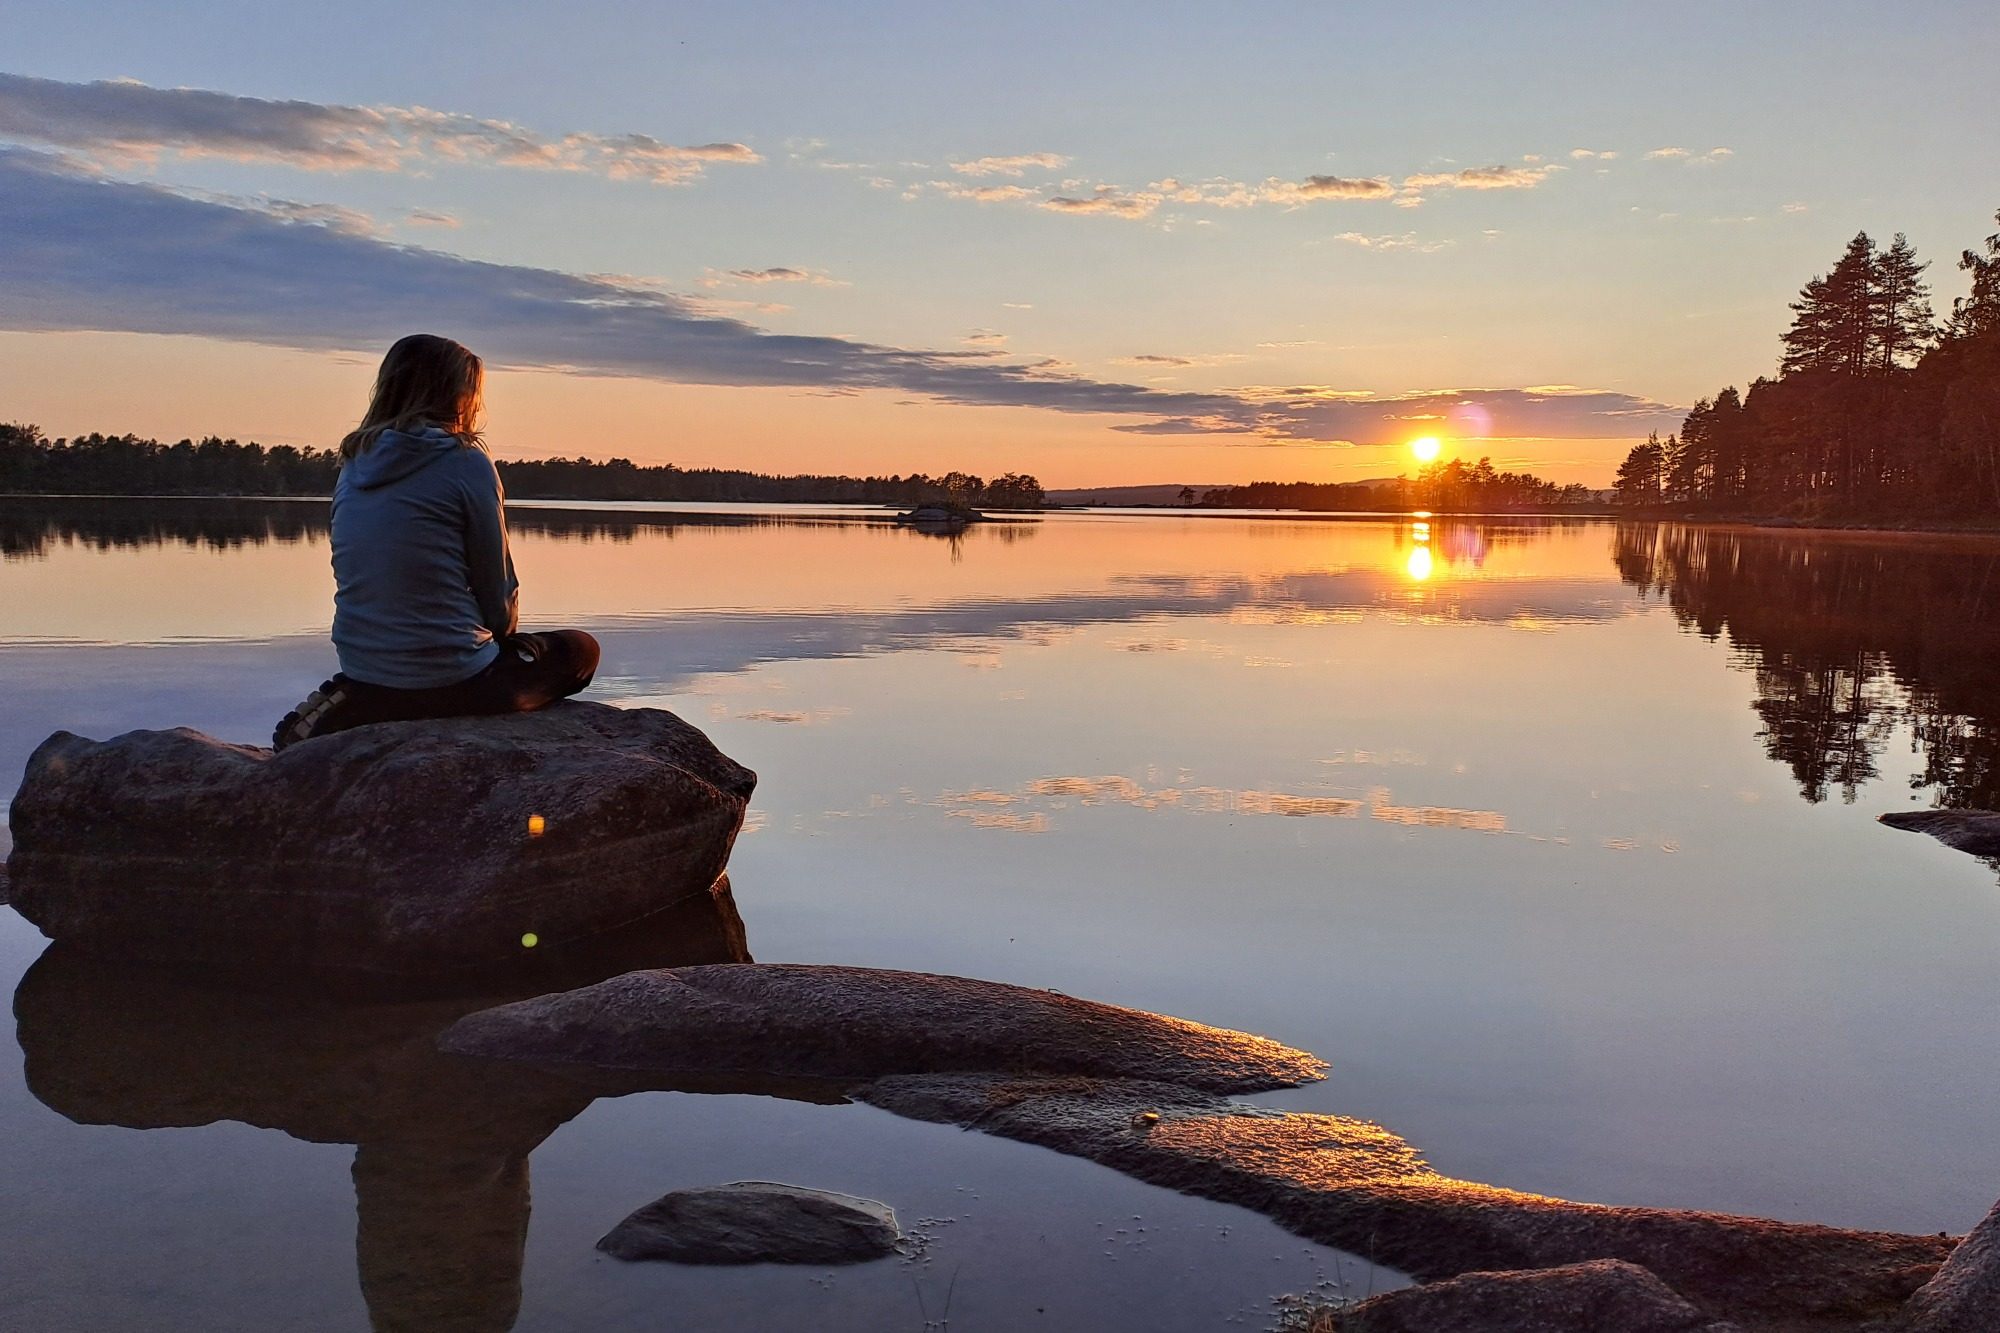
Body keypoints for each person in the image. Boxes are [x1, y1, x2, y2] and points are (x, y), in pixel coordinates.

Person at [272, 334, 599, 750]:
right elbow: (495, 586)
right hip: (456, 673)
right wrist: (504, 638)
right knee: (580, 650)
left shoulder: (353, 464)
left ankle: (371, 696)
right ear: (459, 395)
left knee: (402, 670)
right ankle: (450, 698)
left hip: (365, 664)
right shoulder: (466, 462)